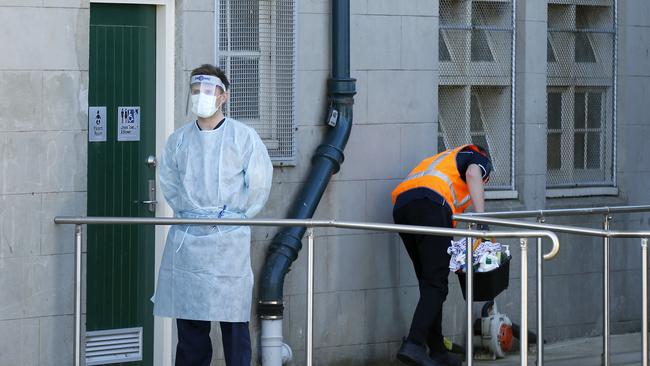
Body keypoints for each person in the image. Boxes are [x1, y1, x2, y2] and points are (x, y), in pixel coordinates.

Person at [152, 64, 274, 366]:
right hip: (189, 240)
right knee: (191, 329)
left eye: (208, 91)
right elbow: (169, 183)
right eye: (195, 91)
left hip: (227, 239)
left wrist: (232, 215)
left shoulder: (243, 138)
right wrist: (193, 212)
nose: (200, 97)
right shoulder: (179, 141)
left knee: (234, 326)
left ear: (224, 97)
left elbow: (258, 185)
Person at [391, 144, 492, 366]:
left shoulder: (443, 160)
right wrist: (482, 220)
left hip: (404, 207)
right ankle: (414, 344)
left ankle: (436, 350)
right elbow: (473, 174)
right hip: (431, 206)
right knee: (436, 285)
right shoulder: (476, 156)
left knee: (429, 284)